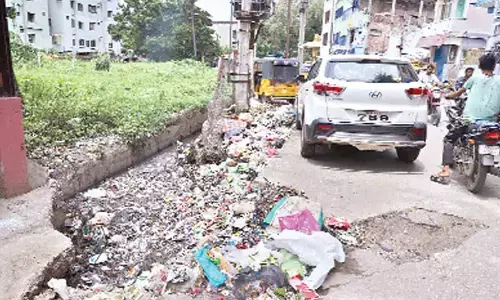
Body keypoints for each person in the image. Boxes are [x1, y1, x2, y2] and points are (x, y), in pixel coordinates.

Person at [431, 54, 500, 184]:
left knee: (449, 139)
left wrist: (448, 96)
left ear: (479, 66)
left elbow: (458, 93)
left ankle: (445, 170)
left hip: (470, 120)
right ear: (494, 66)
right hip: (491, 123)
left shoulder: (474, 78)